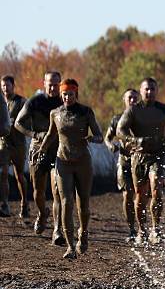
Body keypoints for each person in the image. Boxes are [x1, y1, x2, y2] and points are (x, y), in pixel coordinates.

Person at [34, 79, 103, 259]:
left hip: (82, 162)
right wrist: (41, 150)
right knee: (66, 202)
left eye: (70, 94)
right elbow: (50, 134)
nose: (67, 97)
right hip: (62, 161)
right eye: (64, 94)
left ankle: (84, 233)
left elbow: (99, 136)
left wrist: (91, 139)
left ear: (76, 94)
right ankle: (70, 246)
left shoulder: (86, 112)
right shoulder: (55, 113)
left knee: (83, 204)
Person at [117, 77, 165, 245]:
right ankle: (141, 230)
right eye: (146, 89)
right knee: (140, 195)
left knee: (156, 190)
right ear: (141, 90)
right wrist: (135, 141)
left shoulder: (164, 109)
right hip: (139, 157)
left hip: (158, 154)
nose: (150, 92)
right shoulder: (133, 110)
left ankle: (155, 229)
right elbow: (120, 130)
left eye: (153, 89)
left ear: (157, 90)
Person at [14, 71, 64, 244]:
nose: (53, 87)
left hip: (58, 149)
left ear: (60, 84)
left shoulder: (64, 102)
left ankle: (57, 229)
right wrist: (34, 134)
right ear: (44, 83)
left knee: (58, 190)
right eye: (50, 83)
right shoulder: (35, 101)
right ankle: (43, 213)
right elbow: (18, 123)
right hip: (38, 149)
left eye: (56, 84)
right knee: (38, 192)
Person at [105, 88, 139, 241]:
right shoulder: (117, 119)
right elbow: (107, 138)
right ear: (124, 100)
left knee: (141, 196)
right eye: (129, 98)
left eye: (135, 98)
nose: (132, 100)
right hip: (124, 161)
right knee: (127, 194)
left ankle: (144, 227)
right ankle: (132, 229)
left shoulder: (144, 119)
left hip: (141, 161)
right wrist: (111, 145)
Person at [0, 76, 28, 218]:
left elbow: (27, 119)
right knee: (3, 173)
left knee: (19, 176)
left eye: (8, 85)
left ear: (13, 86)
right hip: (4, 142)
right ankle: (4, 205)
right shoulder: (0, 101)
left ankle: (24, 204)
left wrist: (15, 122)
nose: (5, 88)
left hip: (18, 143)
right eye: (3, 85)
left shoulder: (21, 101)